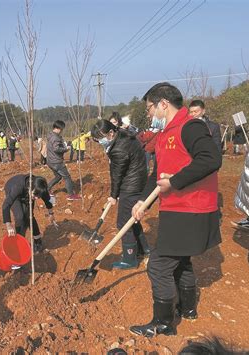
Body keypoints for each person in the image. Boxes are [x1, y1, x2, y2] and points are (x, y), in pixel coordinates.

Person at [130, 82, 221, 337]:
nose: (149, 115)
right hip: (175, 209)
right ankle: (188, 309)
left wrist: (175, 181)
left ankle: (163, 323)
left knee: (158, 265)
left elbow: (211, 158)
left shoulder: (190, 127)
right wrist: (142, 201)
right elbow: (156, 175)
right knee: (180, 260)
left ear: (163, 104)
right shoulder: (164, 135)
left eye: (149, 109)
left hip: (190, 210)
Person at [90, 119, 150, 268]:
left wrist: (113, 195)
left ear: (111, 133)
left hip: (131, 186)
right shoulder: (124, 135)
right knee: (132, 219)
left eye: (101, 139)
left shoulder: (118, 149)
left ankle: (129, 259)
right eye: (97, 141)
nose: (100, 142)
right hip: (138, 180)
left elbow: (117, 175)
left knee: (123, 223)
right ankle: (144, 249)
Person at [2, 175, 55, 254]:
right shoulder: (17, 187)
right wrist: (9, 225)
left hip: (27, 192)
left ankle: (37, 241)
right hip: (12, 189)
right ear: (30, 187)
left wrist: (51, 214)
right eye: (35, 195)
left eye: (39, 196)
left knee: (29, 216)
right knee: (20, 216)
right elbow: (6, 205)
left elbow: (47, 201)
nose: (37, 198)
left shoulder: (40, 188)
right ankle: (19, 242)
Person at [46, 120, 81, 201]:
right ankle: (71, 195)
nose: (62, 131)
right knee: (67, 177)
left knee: (58, 176)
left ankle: (47, 189)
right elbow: (56, 149)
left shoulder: (50, 135)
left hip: (50, 161)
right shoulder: (55, 137)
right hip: (57, 162)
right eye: (62, 129)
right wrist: (66, 149)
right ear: (59, 128)